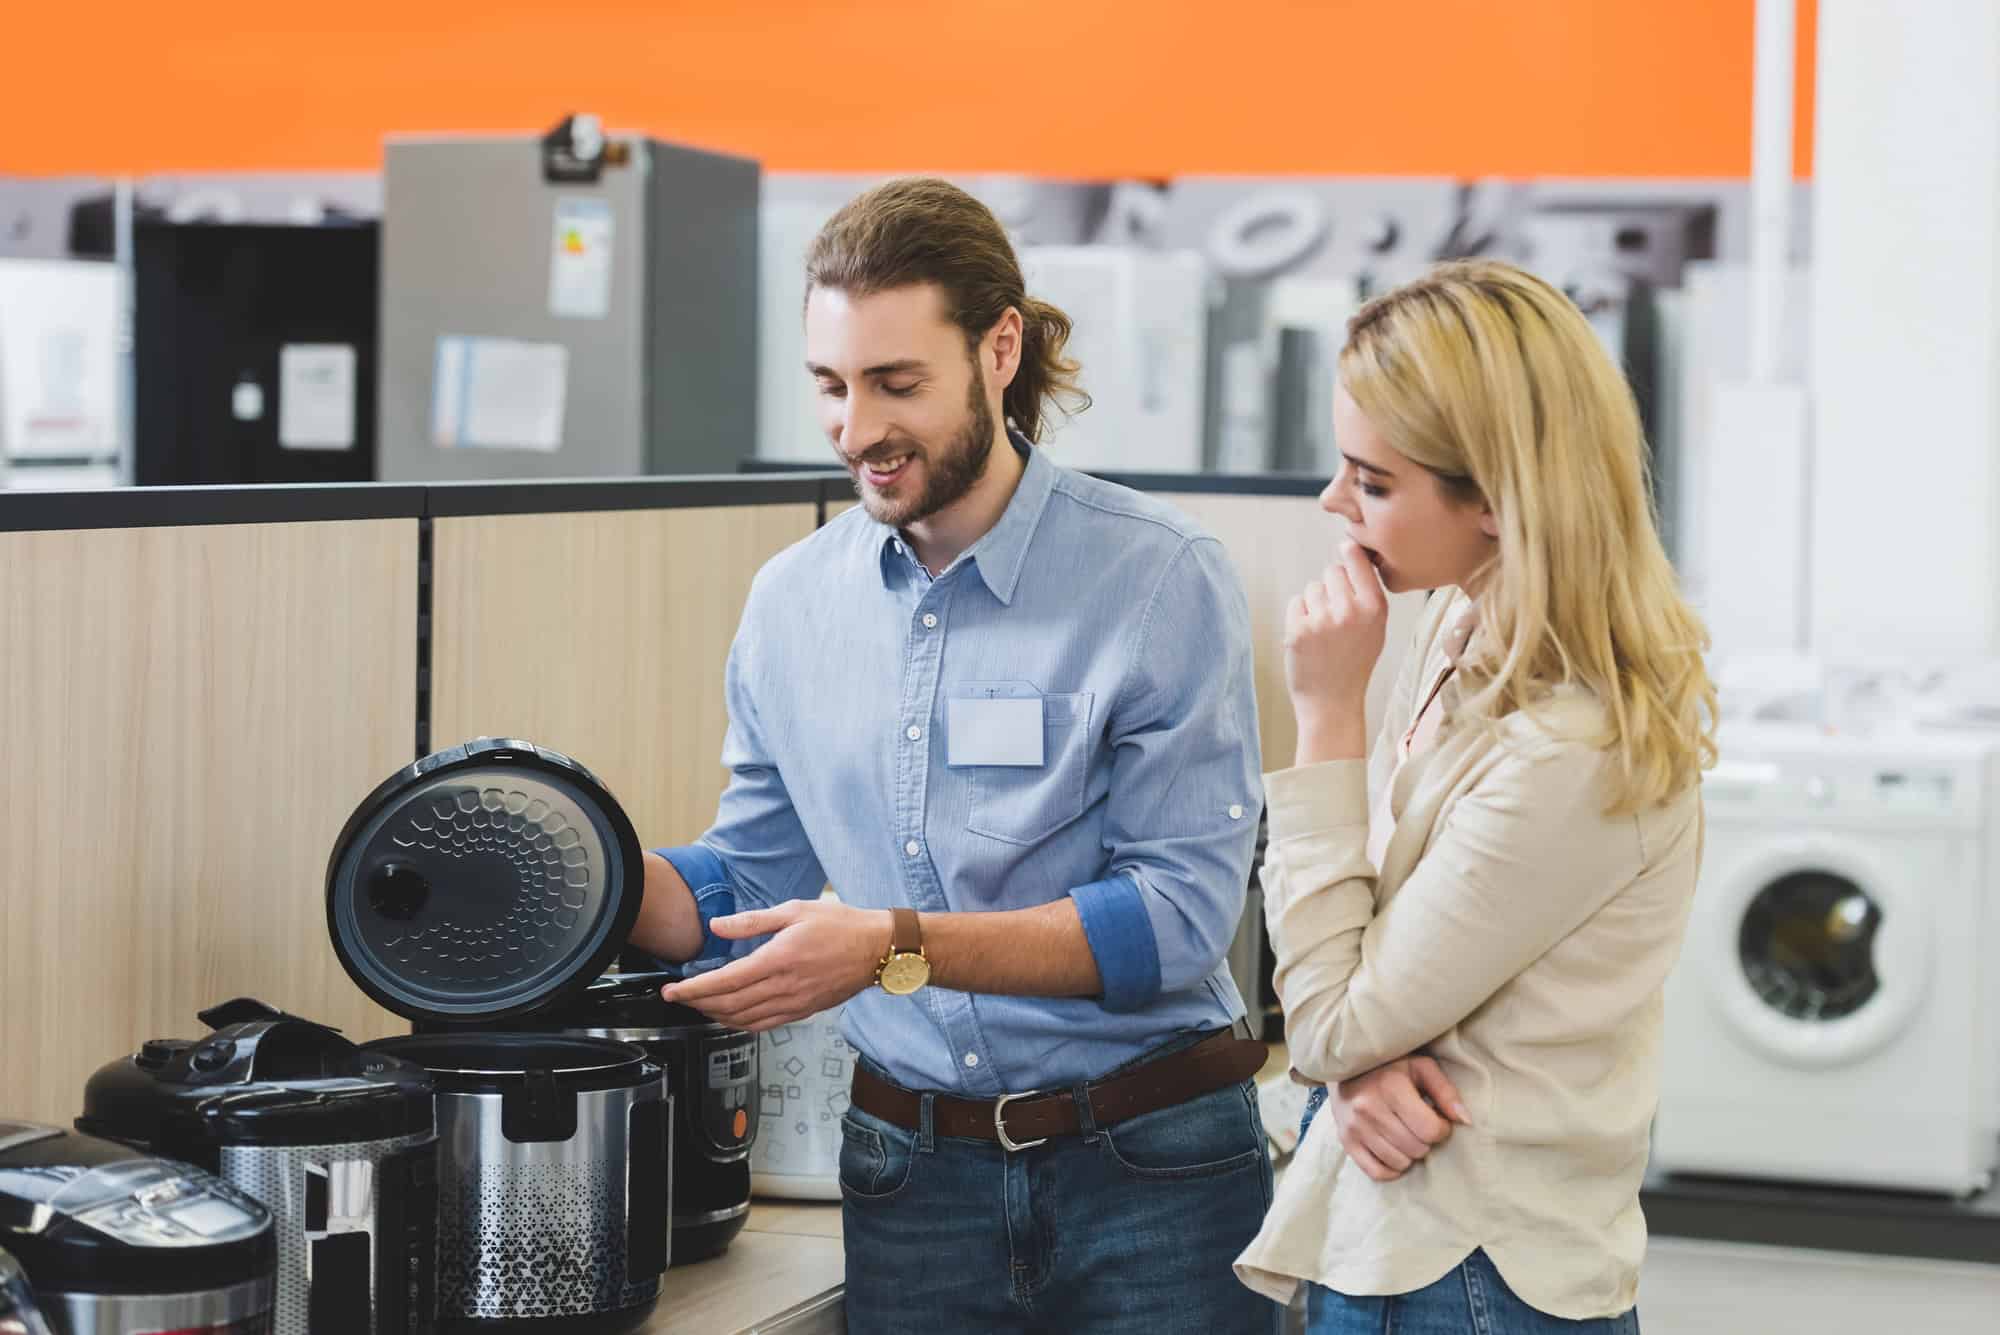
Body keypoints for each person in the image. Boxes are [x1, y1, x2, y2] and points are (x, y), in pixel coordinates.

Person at [627, 177, 1279, 1334]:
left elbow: (1176, 920)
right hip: (909, 1178)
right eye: (830, 385)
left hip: (1152, 1168)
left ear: (998, 349)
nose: (855, 429)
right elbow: (752, 882)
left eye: (896, 384)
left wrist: (891, 948)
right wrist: (594, 881)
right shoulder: (789, 605)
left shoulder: (1155, 577)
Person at [1235, 259, 1716, 1333]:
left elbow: (1328, 1020)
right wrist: (1355, 1066)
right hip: (1399, 1238)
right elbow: (1366, 989)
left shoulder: (1569, 750)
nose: (1330, 503)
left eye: (1370, 480)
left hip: (1474, 1278)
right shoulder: (1463, 631)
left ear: (1495, 500)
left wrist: (1324, 717)